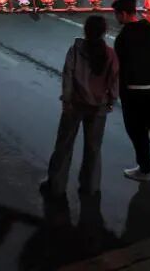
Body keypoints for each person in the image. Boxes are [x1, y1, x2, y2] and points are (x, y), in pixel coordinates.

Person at [42, 16, 119, 198]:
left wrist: (66, 100)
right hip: (98, 107)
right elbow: (114, 81)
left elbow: (68, 76)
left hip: (74, 105)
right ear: (105, 32)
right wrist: (111, 101)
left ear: (85, 30)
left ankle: (56, 185)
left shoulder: (75, 50)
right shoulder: (110, 54)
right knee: (93, 149)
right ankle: (90, 187)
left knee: (64, 145)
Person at [112, 0, 150, 182]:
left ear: (123, 14)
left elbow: (119, 68)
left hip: (134, 90)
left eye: (116, 14)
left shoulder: (122, 38)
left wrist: (118, 92)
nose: (115, 18)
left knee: (137, 130)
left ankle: (145, 170)